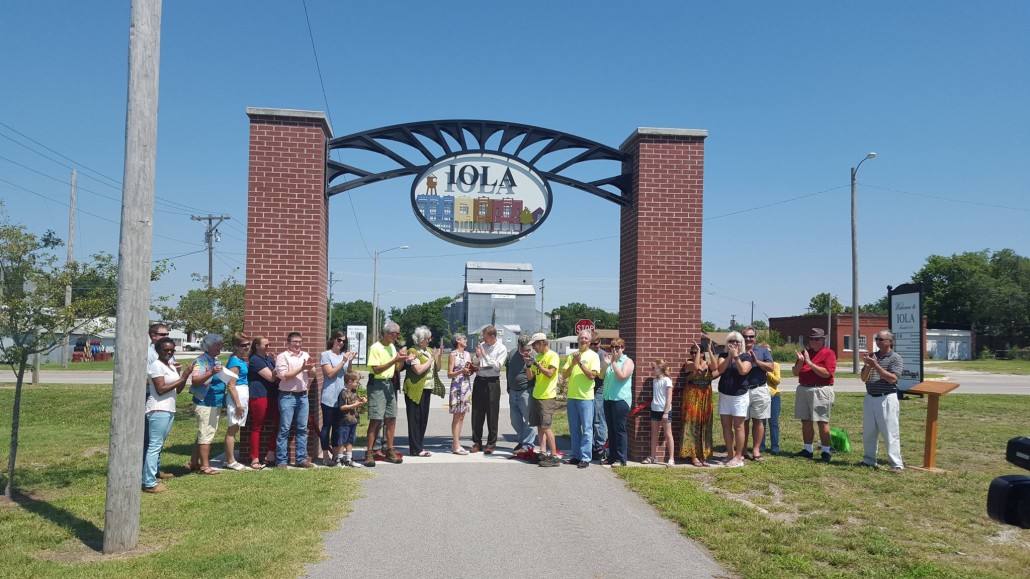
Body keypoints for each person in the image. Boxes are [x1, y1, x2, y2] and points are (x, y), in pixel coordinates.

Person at [142, 338, 195, 492]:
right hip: (158, 409)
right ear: (158, 350)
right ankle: (149, 483)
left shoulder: (169, 366)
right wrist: (183, 377)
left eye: (172, 349)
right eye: (166, 350)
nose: (169, 352)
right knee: (154, 446)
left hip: (168, 409)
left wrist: (183, 376)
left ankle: (153, 475)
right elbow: (160, 389)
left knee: (158, 445)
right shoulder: (156, 366)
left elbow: (177, 390)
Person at [364, 322, 412, 467]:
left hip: (390, 384)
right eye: (396, 333)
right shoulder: (375, 348)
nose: (398, 336)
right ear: (387, 334)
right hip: (377, 385)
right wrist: (394, 360)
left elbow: (396, 367)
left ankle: (390, 449)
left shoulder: (392, 347)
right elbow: (376, 369)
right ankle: (369, 452)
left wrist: (402, 361)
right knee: (376, 419)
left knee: (391, 418)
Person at [861, 330, 905, 470]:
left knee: (890, 432)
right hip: (870, 398)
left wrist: (876, 365)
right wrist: (868, 365)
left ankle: (896, 464)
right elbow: (863, 378)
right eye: (876, 339)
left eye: (881, 339)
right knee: (869, 431)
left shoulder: (895, 358)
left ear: (890, 341)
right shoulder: (873, 356)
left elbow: (893, 379)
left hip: (886, 398)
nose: (878, 341)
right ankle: (869, 460)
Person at [792, 328, 837, 462]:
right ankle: (808, 449)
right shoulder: (805, 353)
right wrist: (800, 362)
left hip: (821, 390)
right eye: (811, 339)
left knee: (822, 421)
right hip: (804, 389)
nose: (813, 341)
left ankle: (825, 451)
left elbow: (827, 373)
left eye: (816, 339)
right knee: (805, 420)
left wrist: (810, 363)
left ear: (823, 339)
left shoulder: (829, 354)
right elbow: (795, 372)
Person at [275, 332, 319, 469]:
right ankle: (281, 460)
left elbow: (313, 374)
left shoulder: (305, 355)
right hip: (287, 396)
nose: (298, 344)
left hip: (303, 396)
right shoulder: (283, 357)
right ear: (288, 343)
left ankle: (301, 459)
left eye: (300, 342)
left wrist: (310, 368)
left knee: (302, 428)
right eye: (295, 342)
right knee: (285, 428)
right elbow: (284, 376)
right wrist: (302, 368)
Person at [562, 330, 600, 468]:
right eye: (581, 338)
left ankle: (585, 457)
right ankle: (576, 455)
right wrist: (573, 363)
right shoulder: (572, 356)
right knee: (574, 429)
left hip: (585, 398)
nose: (583, 340)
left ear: (590, 342)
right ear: (578, 340)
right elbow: (565, 375)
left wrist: (580, 364)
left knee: (587, 428)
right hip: (572, 396)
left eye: (586, 338)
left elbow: (592, 375)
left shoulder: (593, 356)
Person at [190, 333, 226, 475]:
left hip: (215, 401)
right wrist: (211, 372)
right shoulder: (202, 361)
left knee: (203, 433)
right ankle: (205, 466)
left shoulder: (215, 360)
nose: (220, 346)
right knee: (206, 433)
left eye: (221, 343)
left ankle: (194, 462)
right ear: (208, 346)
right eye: (217, 344)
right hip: (205, 402)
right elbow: (196, 380)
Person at [145, 322, 176, 481]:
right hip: (155, 401)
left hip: (168, 404)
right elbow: (158, 385)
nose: (166, 337)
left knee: (158, 442)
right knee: (152, 443)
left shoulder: (166, 354)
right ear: (153, 336)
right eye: (163, 335)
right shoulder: (151, 355)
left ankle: (155, 471)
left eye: (167, 334)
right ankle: (148, 480)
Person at [716, 331, 753, 467]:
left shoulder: (746, 357)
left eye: (736, 341)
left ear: (741, 343)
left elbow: (743, 370)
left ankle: (738, 456)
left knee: (738, 426)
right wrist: (729, 357)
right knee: (726, 426)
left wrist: (736, 357)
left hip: (739, 396)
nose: (734, 343)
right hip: (725, 395)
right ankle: (730, 454)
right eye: (731, 341)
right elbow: (719, 369)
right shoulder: (723, 355)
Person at [404, 326, 440, 457]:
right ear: (420, 340)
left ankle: (419, 445)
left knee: (423, 419)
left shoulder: (429, 350)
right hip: (414, 389)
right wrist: (431, 359)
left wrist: (438, 357)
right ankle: (415, 448)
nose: (429, 340)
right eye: (427, 338)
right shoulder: (413, 351)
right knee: (415, 419)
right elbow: (418, 370)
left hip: (427, 388)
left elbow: (437, 368)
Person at [320, 332, 355, 466]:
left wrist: (349, 361)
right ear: (333, 340)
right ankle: (325, 455)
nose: (341, 343)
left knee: (338, 427)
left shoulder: (342, 356)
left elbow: (347, 375)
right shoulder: (326, 355)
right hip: (329, 396)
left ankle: (336, 455)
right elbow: (329, 374)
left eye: (343, 341)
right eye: (339, 340)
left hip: (341, 397)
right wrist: (344, 361)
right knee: (327, 426)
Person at [471, 325, 507, 454]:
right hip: (479, 380)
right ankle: (476, 442)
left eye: (485, 336)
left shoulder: (501, 348)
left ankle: (491, 444)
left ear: (492, 336)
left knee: (492, 413)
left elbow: (497, 367)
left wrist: (485, 356)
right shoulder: (482, 345)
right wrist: (477, 356)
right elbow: (476, 362)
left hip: (492, 382)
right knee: (477, 413)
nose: (483, 339)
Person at [526, 333, 561, 467]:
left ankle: (554, 455)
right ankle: (542, 451)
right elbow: (530, 377)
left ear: (542, 342)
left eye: (535, 344)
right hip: (537, 394)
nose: (533, 348)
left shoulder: (553, 355)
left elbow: (550, 373)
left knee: (546, 426)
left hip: (547, 396)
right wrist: (529, 366)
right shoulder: (538, 357)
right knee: (539, 426)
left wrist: (537, 364)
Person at [741, 327, 774, 461]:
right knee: (743, 421)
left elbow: (771, 367)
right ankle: (742, 451)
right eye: (745, 337)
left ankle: (756, 451)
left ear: (755, 337)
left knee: (758, 420)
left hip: (759, 389)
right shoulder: (737, 350)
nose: (748, 339)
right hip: (742, 390)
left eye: (751, 336)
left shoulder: (763, 351)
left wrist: (757, 361)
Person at [682, 340, 716, 467]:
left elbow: (715, 367)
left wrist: (710, 352)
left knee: (704, 425)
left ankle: (703, 455)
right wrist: (698, 353)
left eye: (695, 352)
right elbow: (696, 367)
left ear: (702, 354)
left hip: (706, 398)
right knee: (692, 425)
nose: (692, 354)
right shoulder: (689, 363)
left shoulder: (707, 364)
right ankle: (694, 455)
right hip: (692, 397)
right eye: (691, 352)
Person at [601, 338, 634, 468]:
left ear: (623, 348)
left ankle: (621, 459)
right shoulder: (611, 362)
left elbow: (622, 377)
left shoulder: (628, 361)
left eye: (618, 347)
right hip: (608, 398)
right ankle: (612, 456)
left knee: (619, 430)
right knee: (611, 430)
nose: (614, 349)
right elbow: (602, 376)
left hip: (621, 400)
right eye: (612, 347)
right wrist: (607, 364)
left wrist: (613, 363)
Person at [247, 336, 279, 469]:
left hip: (272, 395)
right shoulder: (255, 360)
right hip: (259, 396)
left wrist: (276, 363)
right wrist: (280, 365)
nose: (268, 347)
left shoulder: (268, 358)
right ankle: (255, 458)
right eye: (265, 345)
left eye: (269, 344)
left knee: (279, 423)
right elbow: (272, 377)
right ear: (257, 346)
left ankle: (270, 454)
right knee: (257, 426)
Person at [222, 333, 251, 471]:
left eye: (247, 344)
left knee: (236, 427)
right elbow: (231, 385)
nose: (246, 347)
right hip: (237, 395)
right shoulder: (234, 362)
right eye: (242, 345)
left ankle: (229, 458)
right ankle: (230, 460)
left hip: (242, 393)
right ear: (235, 346)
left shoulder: (241, 360)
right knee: (232, 428)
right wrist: (238, 404)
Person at [505, 334, 537, 454]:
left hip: (527, 391)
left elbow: (535, 375)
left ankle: (528, 445)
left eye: (528, 349)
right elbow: (508, 369)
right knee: (515, 419)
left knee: (529, 420)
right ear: (518, 346)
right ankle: (523, 440)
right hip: (513, 391)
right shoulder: (512, 353)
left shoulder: (534, 356)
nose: (526, 352)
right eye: (524, 349)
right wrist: (508, 386)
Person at [644, 360, 676, 467]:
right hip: (655, 409)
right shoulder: (655, 381)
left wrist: (666, 412)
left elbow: (669, 397)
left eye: (654, 368)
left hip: (665, 411)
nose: (653, 370)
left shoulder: (667, 380)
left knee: (668, 434)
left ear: (660, 368)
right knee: (654, 434)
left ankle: (671, 458)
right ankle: (653, 456)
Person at [447, 333, 475, 454]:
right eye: (464, 339)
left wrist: (471, 370)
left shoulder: (468, 354)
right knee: (456, 415)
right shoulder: (453, 354)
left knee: (462, 415)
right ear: (458, 341)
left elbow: (469, 370)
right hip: (457, 387)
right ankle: (456, 443)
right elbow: (449, 374)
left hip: (466, 386)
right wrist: (460, 371)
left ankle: (456, 443)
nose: (466, 340)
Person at [336, 371, 368, 467]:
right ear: (350, 382)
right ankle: (340, 459)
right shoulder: (343, 392)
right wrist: (354, 405)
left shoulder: (353, 392)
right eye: (356, 382)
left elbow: (356, 401)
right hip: (344, 421)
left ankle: (349, 459)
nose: (358, 384)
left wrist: (361, 400)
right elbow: (342, 407)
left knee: (350, 440)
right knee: (342, 441)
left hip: (353, 420)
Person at [758, 342, 782, 455]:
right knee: (761, 422)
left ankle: (775, 447)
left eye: (769, 352)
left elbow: (777, 381)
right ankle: (760, 446)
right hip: (761, 396)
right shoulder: (757, 365)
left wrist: (769, 373)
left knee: (773, 422)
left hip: (774, 396)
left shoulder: (775, 365)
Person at [589, 337, 609, 461]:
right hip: (589, 392)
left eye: (595, 344)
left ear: (600, 343)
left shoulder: (602, 355)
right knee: (589, 421)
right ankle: (591, 446)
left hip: (599, 392)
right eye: (591, 344)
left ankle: (600, 448)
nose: (592, 346)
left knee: (598, 421)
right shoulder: (589, 354)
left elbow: (597, 374)